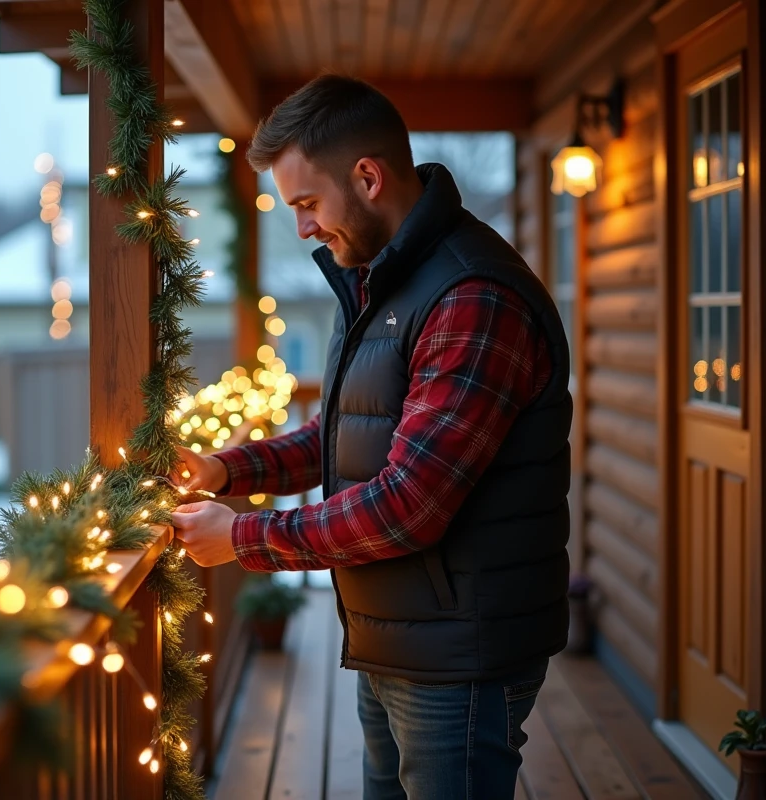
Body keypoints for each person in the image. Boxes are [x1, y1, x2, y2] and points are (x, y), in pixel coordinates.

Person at [170, 74, 572, 800]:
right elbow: (342, 436)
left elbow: (407, 502)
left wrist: (244, 538)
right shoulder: (379, 278)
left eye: (306, 204)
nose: (302, 229)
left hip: (461, 656)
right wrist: (223, 470)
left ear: (367, 177)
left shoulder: (472, 298)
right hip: (397, 637)